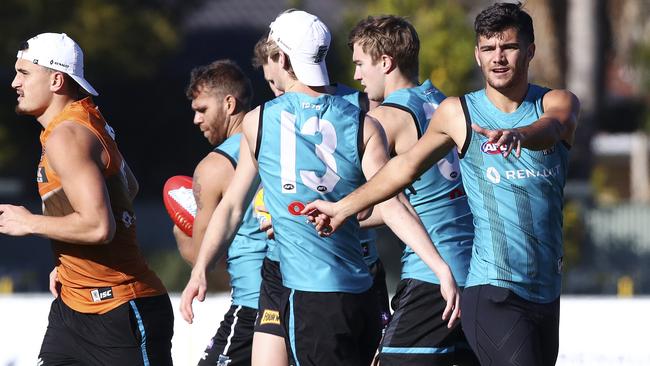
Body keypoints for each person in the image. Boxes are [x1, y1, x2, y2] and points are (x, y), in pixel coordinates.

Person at [305, 3, 580, 366]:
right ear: (477, 55)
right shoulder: (457, 113)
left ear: (529, 51)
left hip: (545, 294)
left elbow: (554, 128)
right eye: (488, 49)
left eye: (509, 48)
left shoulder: (555, 102)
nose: (498, 58)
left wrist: (520, 134)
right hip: (492, 290)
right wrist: (341, 208)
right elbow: (402, 169)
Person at [180, 10, 460, 366]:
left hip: (312, 293)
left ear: (281, 58)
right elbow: (393, 203)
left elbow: (233, 206)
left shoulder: (260, 121)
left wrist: (200, 268)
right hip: (345, 287)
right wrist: (439, 267)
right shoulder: (364, 121)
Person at [1, 32, 173, 364]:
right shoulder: (84, 120)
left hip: (120, 310)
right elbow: (129, 187)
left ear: (55, 79)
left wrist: (28, 222)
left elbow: (98, 227)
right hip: (73, 309)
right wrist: (70, 258)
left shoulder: (67, 134)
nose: (13, 83)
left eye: (23, 73)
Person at [250, 29, 392, 366]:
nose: (276, 92)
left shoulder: (362, 109)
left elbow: (391, 195)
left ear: (284, 60)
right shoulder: (269, 119)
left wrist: (343, 213)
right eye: (269, 86)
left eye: (276, 82)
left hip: (354, 267)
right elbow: (254, 189)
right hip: (282, 266)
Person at [347, 15, 478, 365]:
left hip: (432, 274)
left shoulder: (388, 118)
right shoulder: (447, 103)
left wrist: (320, 213)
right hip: (475, 271)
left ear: (386, 62)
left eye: (361, 64)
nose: (356, 76)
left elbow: (370, 204)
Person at [174, 59, 268, 366]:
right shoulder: (279, 140)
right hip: (297, 295)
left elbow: (202, 257)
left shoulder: (214, 167)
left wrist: (179, 226)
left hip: (252, 302)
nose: (196, 120)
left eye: (202, 110)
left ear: (229, 104)